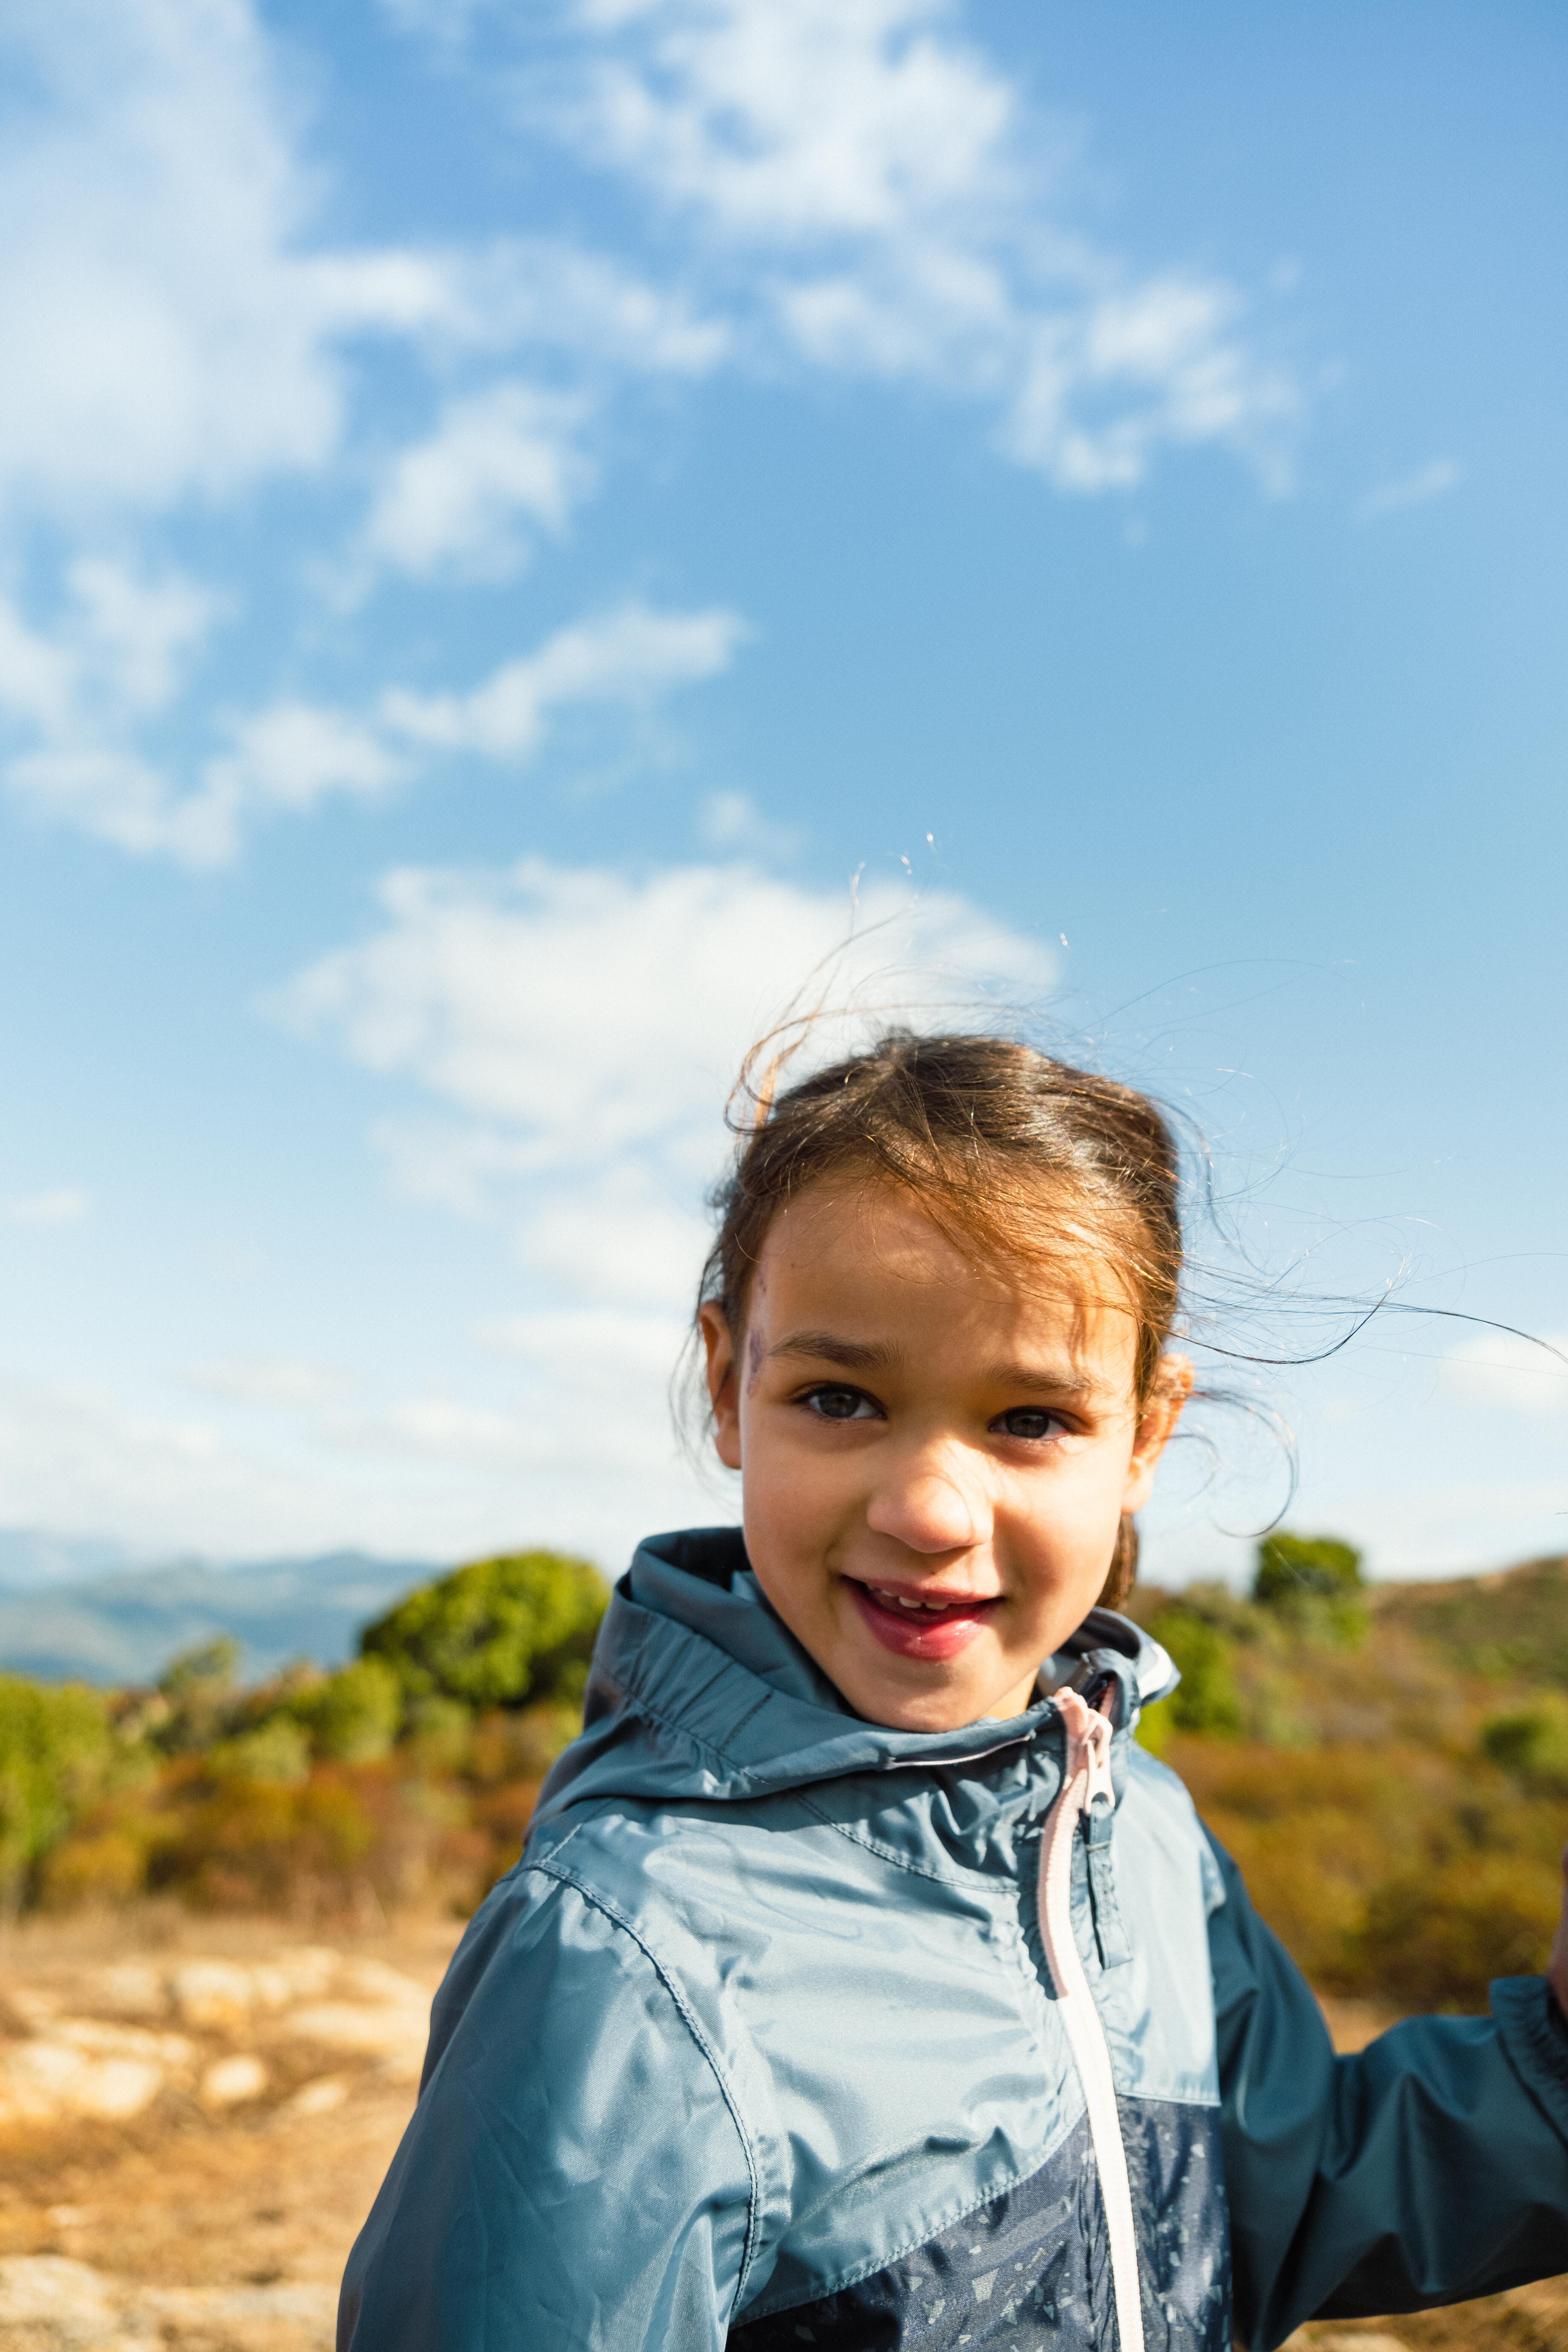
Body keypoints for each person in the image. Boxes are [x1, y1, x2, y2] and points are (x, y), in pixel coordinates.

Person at [338, 1031, 1568, 2352]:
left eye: (1030, 1420)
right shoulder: (622, 1963)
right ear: (726, 1387)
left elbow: (1290, 2195)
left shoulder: (1138, 1830)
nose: (929, 1510)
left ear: (1147, 1433)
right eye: (842, 1397)